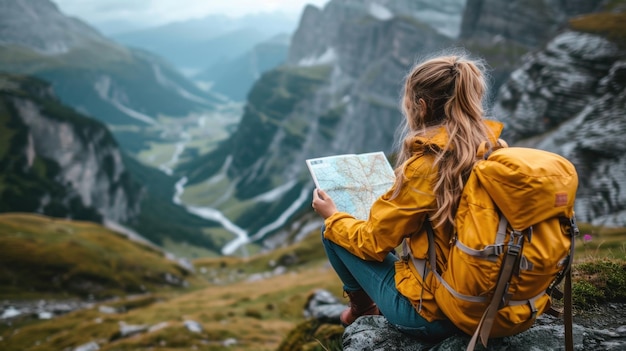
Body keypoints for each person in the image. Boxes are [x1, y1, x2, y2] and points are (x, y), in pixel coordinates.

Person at [311, 53, 505, 341]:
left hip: (438, 315)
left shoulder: (426, 166)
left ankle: (362, 309)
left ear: (422, 106)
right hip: (500, 306)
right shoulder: (495, 150)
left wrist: (332, 215)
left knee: (334, 232)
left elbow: (374, 243)